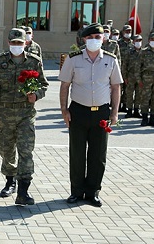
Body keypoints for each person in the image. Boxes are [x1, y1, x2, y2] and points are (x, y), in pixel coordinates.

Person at [59, 23, 123, 207]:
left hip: (101, 113)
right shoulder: (73, 59)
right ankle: (77, 191)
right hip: (78, 111)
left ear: (103, 39)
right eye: (91, 37)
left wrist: (115, 113)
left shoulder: (110, 59)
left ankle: (93, 191)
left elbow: (116, 87)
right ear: (84, 39)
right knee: (77, 154)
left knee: (98, 155)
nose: (94, 40)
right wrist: (64, 110)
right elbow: (64, 86)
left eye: (98, 37)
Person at [0, 28, 48, 205]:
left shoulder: (34, 62)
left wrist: (36, 94)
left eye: (19, 43)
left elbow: (43, 84)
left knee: (26, 150)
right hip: (5, 112)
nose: (16, 46)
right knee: (6, 149)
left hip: (26, 112)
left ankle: (23, 190)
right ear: (8, 43)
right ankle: (10, 180)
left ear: (25, 43)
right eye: (13, 43)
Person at [123, 34, 143, 119]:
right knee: (129, 94)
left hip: (140, 76)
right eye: (136, 41)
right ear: (133, 42)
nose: (138, 42)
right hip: (130, 75)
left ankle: (136, 110)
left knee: (139, 94)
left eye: (140, 40)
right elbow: (125, 65)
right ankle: (129, 110)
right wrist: (125, 77)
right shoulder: (129, 52)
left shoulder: (144, 52)